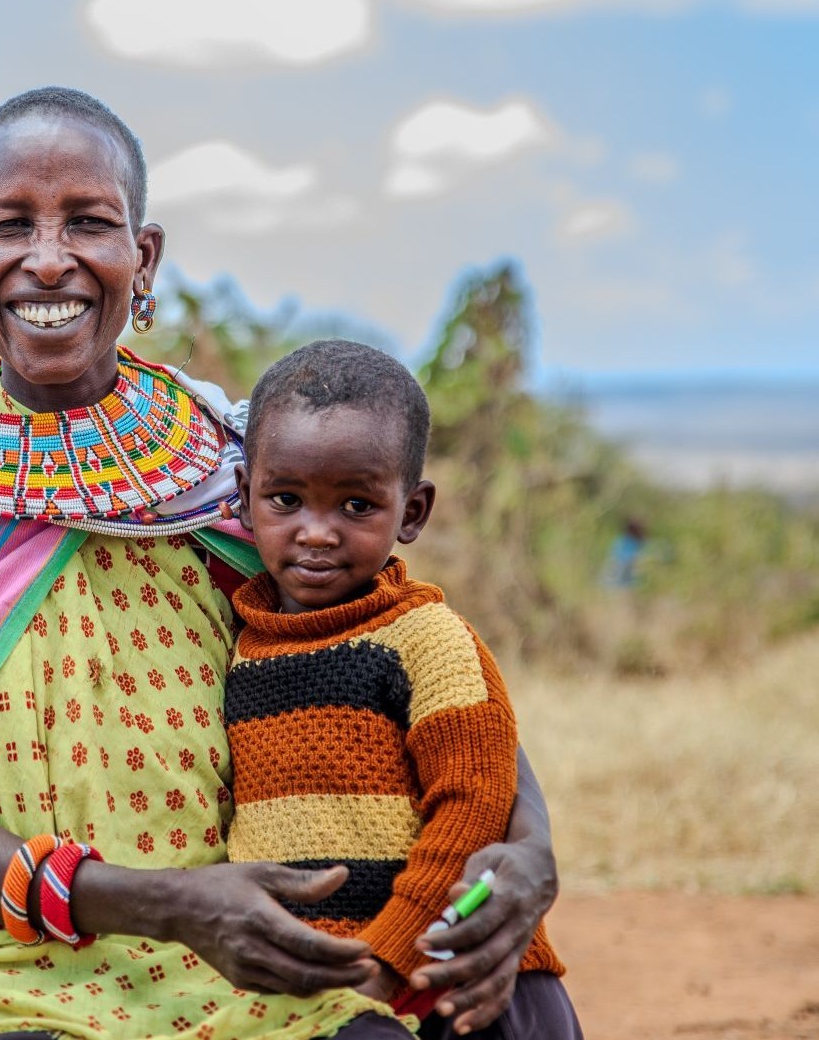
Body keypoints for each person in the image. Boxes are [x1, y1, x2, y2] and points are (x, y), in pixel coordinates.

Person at [0, 86, 561, 1040]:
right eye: (10, 225)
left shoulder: (235, 463)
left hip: (241, 944)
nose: (50, 259)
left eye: (90, 221)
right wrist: (164, 903)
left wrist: (531, 847)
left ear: (144, 254)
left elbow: (413, 654)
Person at [227, 340, 581, 1038]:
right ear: (244, 497)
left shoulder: (428, 639)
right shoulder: (244, 641)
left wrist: (388, 959)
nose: (318, 533)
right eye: (286, 500)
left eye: (357, 505)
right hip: (334, 989)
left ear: (412, 512)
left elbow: (475, 807)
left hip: (464, 978)